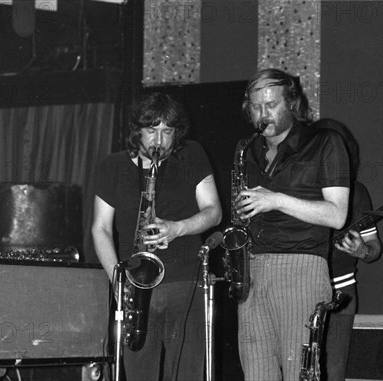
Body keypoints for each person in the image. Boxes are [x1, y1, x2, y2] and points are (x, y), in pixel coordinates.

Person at [92, 92, 222, 381]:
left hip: (185, 282)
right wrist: (118, 281)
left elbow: (214, 212)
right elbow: (100, 229)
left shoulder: (192, 154)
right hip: (136, 288)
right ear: (136, 130)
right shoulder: (112, 166)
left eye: (167, 132)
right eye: (152, 131)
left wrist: (178, 228)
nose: (159, 141)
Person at [233, 68, 351, 381]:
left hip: (300, 268)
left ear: (292, 103)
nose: (263, 114)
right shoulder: (248, 150)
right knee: (256, 374)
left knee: (301, 373)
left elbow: (337, 215)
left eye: (271, 105)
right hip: (251, 271)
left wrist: (277, 200)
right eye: (256, 107)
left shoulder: (325, 142)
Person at [318, 119, 383, 381]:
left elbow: (374, 248)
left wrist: (362, 251)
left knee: (334, 370)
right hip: (299, 285)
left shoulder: (357, 192)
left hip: (342, 290)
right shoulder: (297, 189)